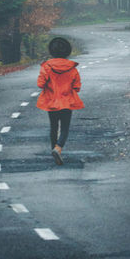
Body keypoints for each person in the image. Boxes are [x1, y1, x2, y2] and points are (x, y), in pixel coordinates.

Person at [36, 36, 83, 165]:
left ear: (52, 51)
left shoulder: (46, 67)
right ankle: (58, 148)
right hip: (67, 102)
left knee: (53, 127)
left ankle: (53, 149)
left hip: (51, 102)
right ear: (67, 51)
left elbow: (40, 84)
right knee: (65, 128)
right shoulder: (72, 68)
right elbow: (77, 87)